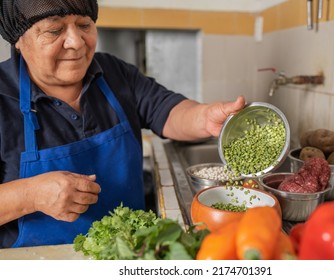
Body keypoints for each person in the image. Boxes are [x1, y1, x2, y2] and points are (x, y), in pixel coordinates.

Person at [0, 0, 246, 248]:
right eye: (54, 31)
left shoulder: (114, 72)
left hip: (131, 253)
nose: (76, 42)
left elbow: (166, 110)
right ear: (18, 39)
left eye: (84, 25)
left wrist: (205, 117)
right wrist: (30, 195)